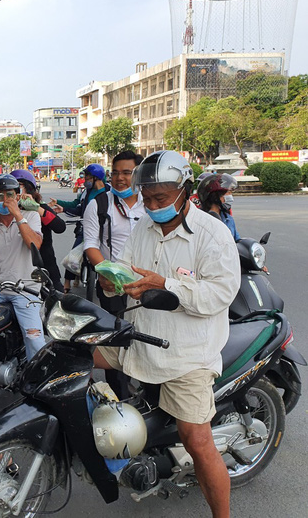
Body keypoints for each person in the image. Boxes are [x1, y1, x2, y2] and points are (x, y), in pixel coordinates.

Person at [94, 150, 240, 518]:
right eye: (147, 198)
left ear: (185, 191)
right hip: (141, 336)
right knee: (74, 357)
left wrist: (166, 284)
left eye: (161, 198)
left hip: (187, 354)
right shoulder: (143, 226)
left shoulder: (213, 234)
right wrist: (113, 281)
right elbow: (125, 269)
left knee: (197, 438)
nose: (152, 205)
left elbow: (220, 294)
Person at [82, 151, 145, 398]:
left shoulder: (150, 203)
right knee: (117, 342)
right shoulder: (99, 204)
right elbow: (91, 246)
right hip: (114, 286)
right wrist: (108, 274)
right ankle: (122, 397)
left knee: (148, 337)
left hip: (147, 283)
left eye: (127, 173)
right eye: (115, 172)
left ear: (138, 174)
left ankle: (149, 388)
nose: (120, 178)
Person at [0, 174, 45, 359]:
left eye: (10, 195)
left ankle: (34, 381)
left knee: (35, 340)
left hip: (25, 291)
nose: (5, 200)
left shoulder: (30, 217)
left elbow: (35, 245)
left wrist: (17, 215)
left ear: (18, 196)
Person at [50, 163, 109, 292]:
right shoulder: (85, 193)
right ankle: (67, 283)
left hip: (104, 230)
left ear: (96, 178)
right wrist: (61, 206)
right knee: (73, 257)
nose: (85, 181)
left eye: (87, 178)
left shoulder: (109, 193)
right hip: (86, 228)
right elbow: (78, 207)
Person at [10, 169, 66, 292]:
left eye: (18, 187)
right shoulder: (5, 211)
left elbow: (60, 227)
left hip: (44, 265)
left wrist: (37, 208)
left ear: (29, 188)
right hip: (16, 270)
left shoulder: (39, 206)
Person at [197, 173, 240, 241]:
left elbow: (237, 241)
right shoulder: (198, 220)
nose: (230, 197)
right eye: (228, 193)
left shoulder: (228, 219)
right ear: (215, 196)